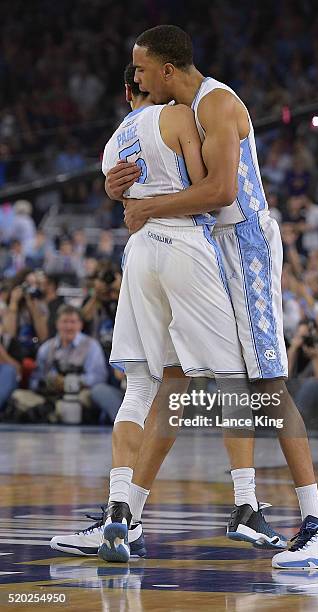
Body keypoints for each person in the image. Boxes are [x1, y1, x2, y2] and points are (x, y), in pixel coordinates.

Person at [104, 26, 318, 570]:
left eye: (141, 70)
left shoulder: (216, 104)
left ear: (167, 71)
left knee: (266, 383)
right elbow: (162, 180)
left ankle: (317, 523)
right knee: (175, 379)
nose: (135, 80)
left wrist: (146, 210)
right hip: (209, 246)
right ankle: (131, 515)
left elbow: (221, 191)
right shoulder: (178, 117)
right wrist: (119, 186)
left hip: (246, 246)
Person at [53, 64, 283, 563]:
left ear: (124, 93)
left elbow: (118, 190)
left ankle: (121, 513)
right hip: (185, 247)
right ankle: (246, 503)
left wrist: (124, 195)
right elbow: (209, 190)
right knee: (230, 376)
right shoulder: (180, 115)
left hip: (138, 253)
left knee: (147, 384)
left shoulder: (113, 144)